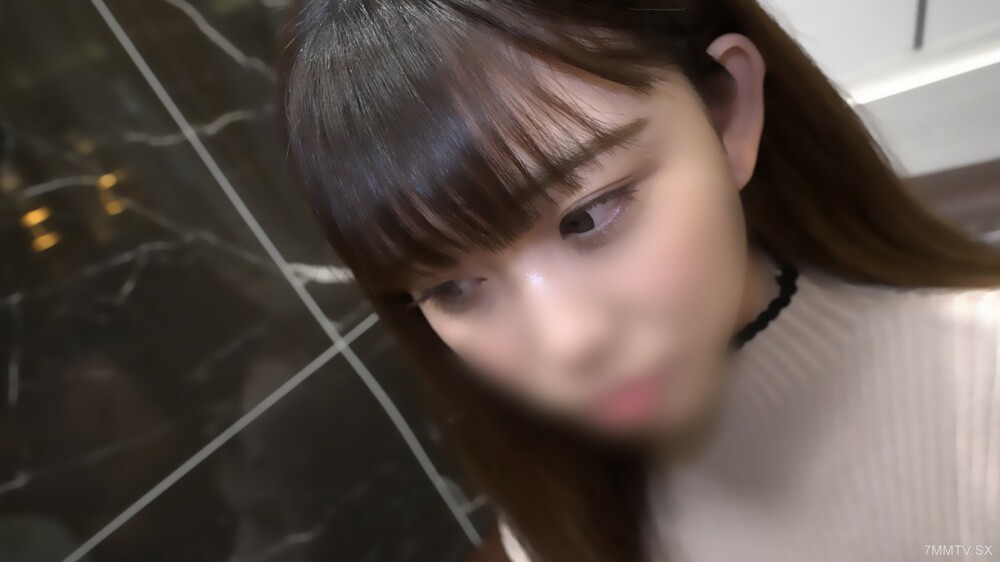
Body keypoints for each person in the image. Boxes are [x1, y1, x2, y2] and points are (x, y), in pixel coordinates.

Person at [277, 1, 1000, 560]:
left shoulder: (981, 386)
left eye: (588, 216)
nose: (567, 344)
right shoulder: (550, 489)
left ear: (727, 112)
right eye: (453, 288)